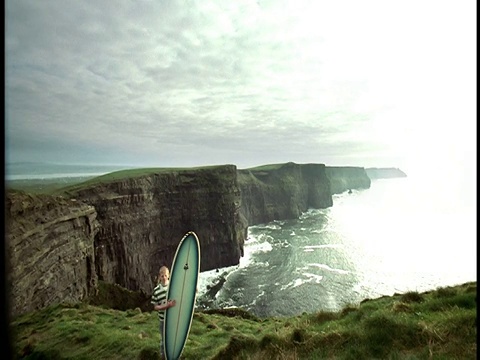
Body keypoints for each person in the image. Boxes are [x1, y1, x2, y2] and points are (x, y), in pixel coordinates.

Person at [151, 266, 176, 359]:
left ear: (168, 275)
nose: (164, 277)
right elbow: (155, 307)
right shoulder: (156, 290)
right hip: (163, 320)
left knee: (173, 338)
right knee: (163, 341)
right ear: (159, 277)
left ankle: (174, 355)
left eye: (165, 275)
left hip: (173, 319)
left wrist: (194, 290)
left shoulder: (173, 287)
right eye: (162, 276)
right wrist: (166, 306)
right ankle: (163, 357)